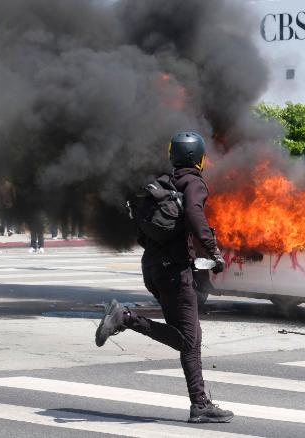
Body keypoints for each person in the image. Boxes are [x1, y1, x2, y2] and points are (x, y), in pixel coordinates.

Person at [95, 132, 233, 423]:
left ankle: (200, 404)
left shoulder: (162, 182)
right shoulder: (193, 183)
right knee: (187, 340)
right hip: (174, 272)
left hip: (154, 268)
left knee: (190, 338)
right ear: (198, 157)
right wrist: (213, 251)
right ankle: (125, 318)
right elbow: (195, 214)